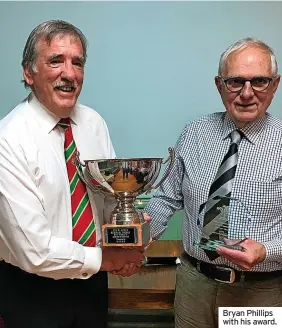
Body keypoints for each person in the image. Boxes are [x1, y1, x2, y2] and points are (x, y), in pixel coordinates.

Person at [0, 20, 145, 328]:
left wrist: (129, 236)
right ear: (29, 73)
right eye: (56, 61)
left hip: (92, 284)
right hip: (32, 291)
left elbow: (111, 199)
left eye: (77, 62)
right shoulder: (8, 139)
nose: (69, 73)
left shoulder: (93, 123)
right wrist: (108, 260)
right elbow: (35, 252)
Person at [145, 37, 282, 328]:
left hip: (258, 291)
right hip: (194, 285)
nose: (247, 93)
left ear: (275, 85)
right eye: (236, 82)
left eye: (259, 81)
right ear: (220, 85)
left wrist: (268, 250)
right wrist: (136, 240)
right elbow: (167, 198)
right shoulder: (195, 132)